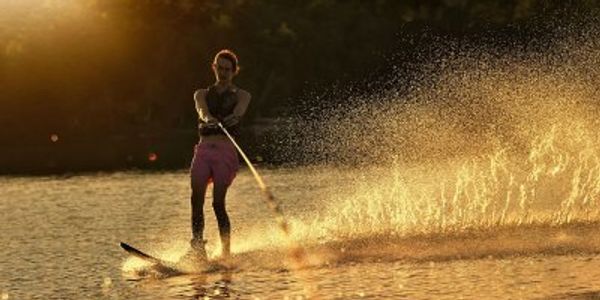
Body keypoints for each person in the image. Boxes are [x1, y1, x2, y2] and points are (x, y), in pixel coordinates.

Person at [186, 49, 251, 261]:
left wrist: (233, 117)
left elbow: (240, 110)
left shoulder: (242, 95)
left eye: (227, 70)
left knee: (217, 203)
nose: (223, 73)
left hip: (225, 152)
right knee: (196, 198)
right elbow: (201, 110)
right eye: (219, 68)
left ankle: (225, 253)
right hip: (204, 151)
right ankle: (198, 247)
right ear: (214, 67)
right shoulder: (201, 94)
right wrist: (208, 118)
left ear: (234, 71)